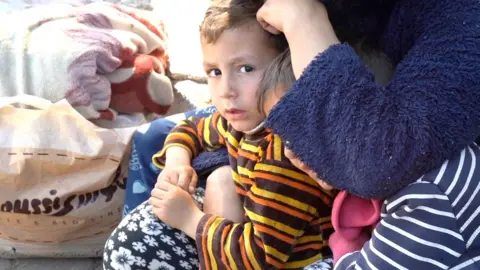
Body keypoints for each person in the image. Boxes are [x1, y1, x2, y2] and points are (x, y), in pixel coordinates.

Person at [103, 2, 334, 269]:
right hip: (237, 240)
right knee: (216, 175)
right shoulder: (241, 121)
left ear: (286, 65)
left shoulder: (284, 156)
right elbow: (192, 128)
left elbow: (259, 256)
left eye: (246, 68)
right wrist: (178, 160)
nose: (226, 90)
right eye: (215, 72)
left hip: (285, 261)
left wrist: (190, 219)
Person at [254, 0, 480, 269]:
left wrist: (303, 20)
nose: (290, 152)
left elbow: (379, 158)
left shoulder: (431, 193)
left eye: (302, 129)